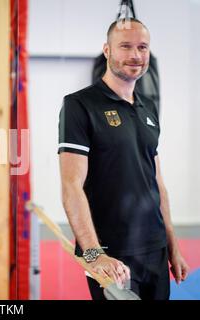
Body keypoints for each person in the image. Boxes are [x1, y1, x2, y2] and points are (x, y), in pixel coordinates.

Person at [58, 18, 189, 300]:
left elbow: (156, 182)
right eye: (125, 46)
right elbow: (71, 185)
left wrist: (173, 246)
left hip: (155, 250)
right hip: (112, 254)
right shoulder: (79, 105)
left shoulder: (148, 107)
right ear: (107, 50)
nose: (135, 55)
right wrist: (94, 254)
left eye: (142, 47)